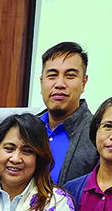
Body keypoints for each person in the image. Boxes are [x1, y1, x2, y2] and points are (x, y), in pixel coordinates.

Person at [37, 42, 97, 185]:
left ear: (84, 82)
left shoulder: (97, 135)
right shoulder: (25, 129)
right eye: (52, 75)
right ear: (41, 82)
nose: (59, 84)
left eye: (70, 76)